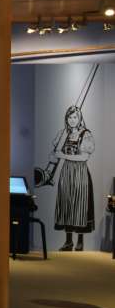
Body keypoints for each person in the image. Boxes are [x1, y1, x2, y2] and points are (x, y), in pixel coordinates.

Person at [53, 104, 96, 251]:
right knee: (67, 204)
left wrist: (63, 155)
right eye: (69, 117)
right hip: (66, 173)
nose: (72, 120)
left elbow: (84, 157)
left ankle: (80, 241)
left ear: (80, 118)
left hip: (80, 173)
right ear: (66, 119)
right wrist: (56, 154)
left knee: (79, 205)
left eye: (75, 117)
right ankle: (68, 241)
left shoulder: (86, 134)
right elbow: (55, 152)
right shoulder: (63, 134)